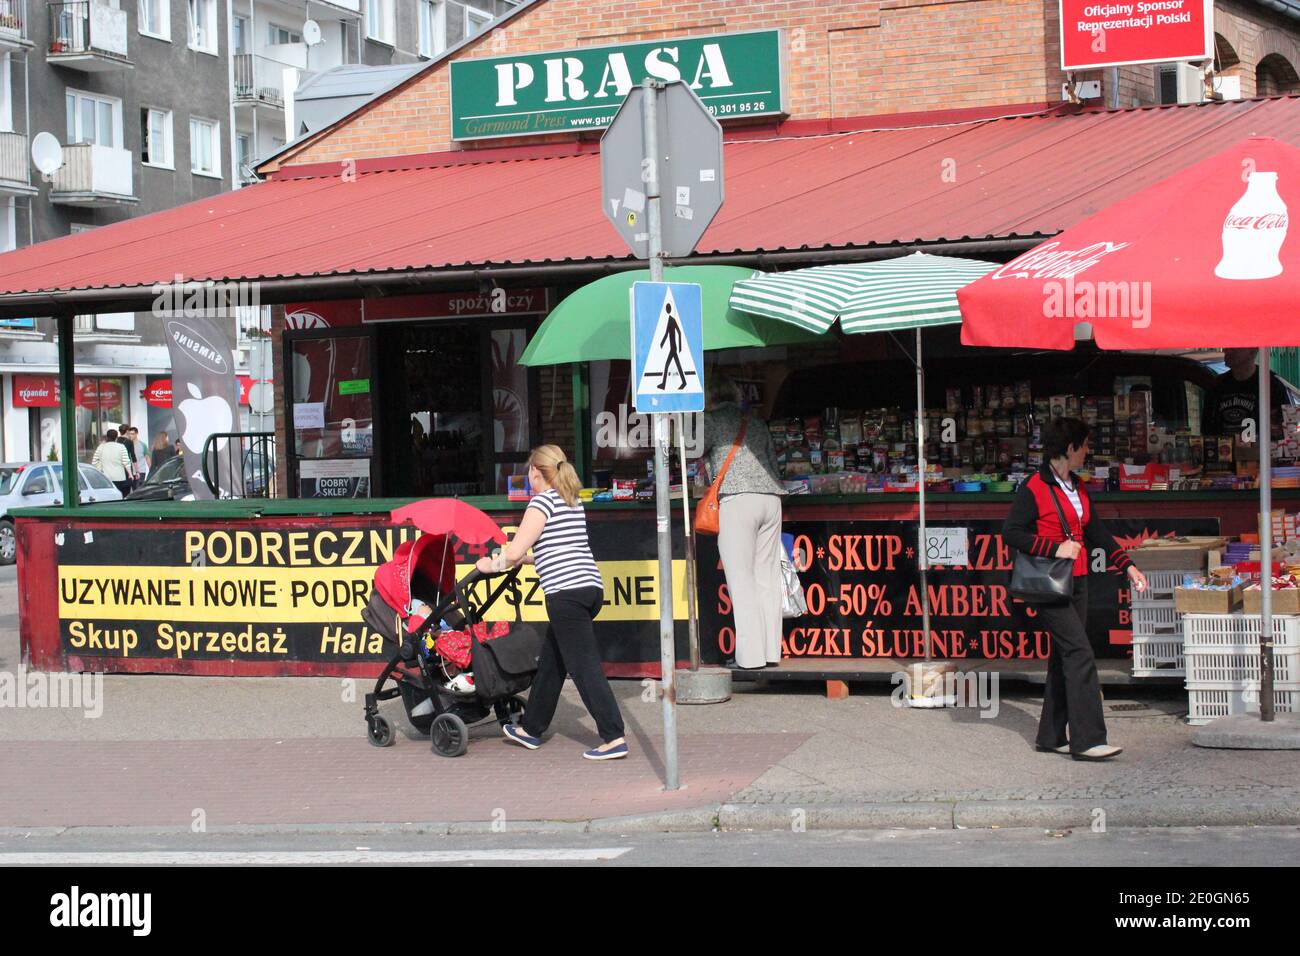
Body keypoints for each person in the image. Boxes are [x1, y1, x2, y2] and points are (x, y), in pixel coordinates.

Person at [1003, 417, 1149, 761]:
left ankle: (1051, 735)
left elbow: (1096, 531)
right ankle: (1088, 740)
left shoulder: (1078, 486)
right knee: (1080, 654)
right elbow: (1012, 532)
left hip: (1077, 581)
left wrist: (1127, 566)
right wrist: (1055, 548)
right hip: (1049, 584)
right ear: (1069, 448)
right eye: (1084, 445)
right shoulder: (1034, 487)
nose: (1087, 452)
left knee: (1064, 656)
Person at [476, 444, 628, 761]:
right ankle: (532, 729)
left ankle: (613, 736)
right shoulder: (569, 501)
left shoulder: (541, 504)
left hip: (566, 594)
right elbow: (552, 549)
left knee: (584, 667)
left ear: (536, 471)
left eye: (529, 471)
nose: (528, 477)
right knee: (552, 663)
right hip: (589, 588)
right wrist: (525, 560)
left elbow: (514, 551)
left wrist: (491, 565)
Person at [698, 374, 786, 670]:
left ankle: (749, 658)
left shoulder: (710, 421)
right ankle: (771, 651)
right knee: (767, 578)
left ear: (708, 397)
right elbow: (774, 465)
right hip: (771, 499)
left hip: (737, 500)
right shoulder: (756, 423)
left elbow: (688, 448)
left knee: (742, 580)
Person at [1203, 347, 1288, 437]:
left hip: (1259, 450)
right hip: (1225, 449)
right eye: (1226, 346)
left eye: (1234, 346)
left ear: (1253, 350)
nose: (1226, 350)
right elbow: (1207, 430)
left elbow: (1282, 430)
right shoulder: (1216, 386)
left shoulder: (1271, 385)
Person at [92, 429, 133, 497]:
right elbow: (126, 462)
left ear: (107, 437)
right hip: (119, 478)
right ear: (116, 438)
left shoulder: (101, 447)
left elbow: (94, 462)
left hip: (106, 479)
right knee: (120, 498)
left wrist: (101, 469)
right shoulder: (121, 447)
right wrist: (130, 474)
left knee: (108, 499)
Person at [118, 424, 139, 489]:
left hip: (117, 467)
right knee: (127, 489)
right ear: (127, 431)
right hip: (127, 468)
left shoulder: (116, 440)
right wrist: (137, 471)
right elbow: (133, 457)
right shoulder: (129, 442)